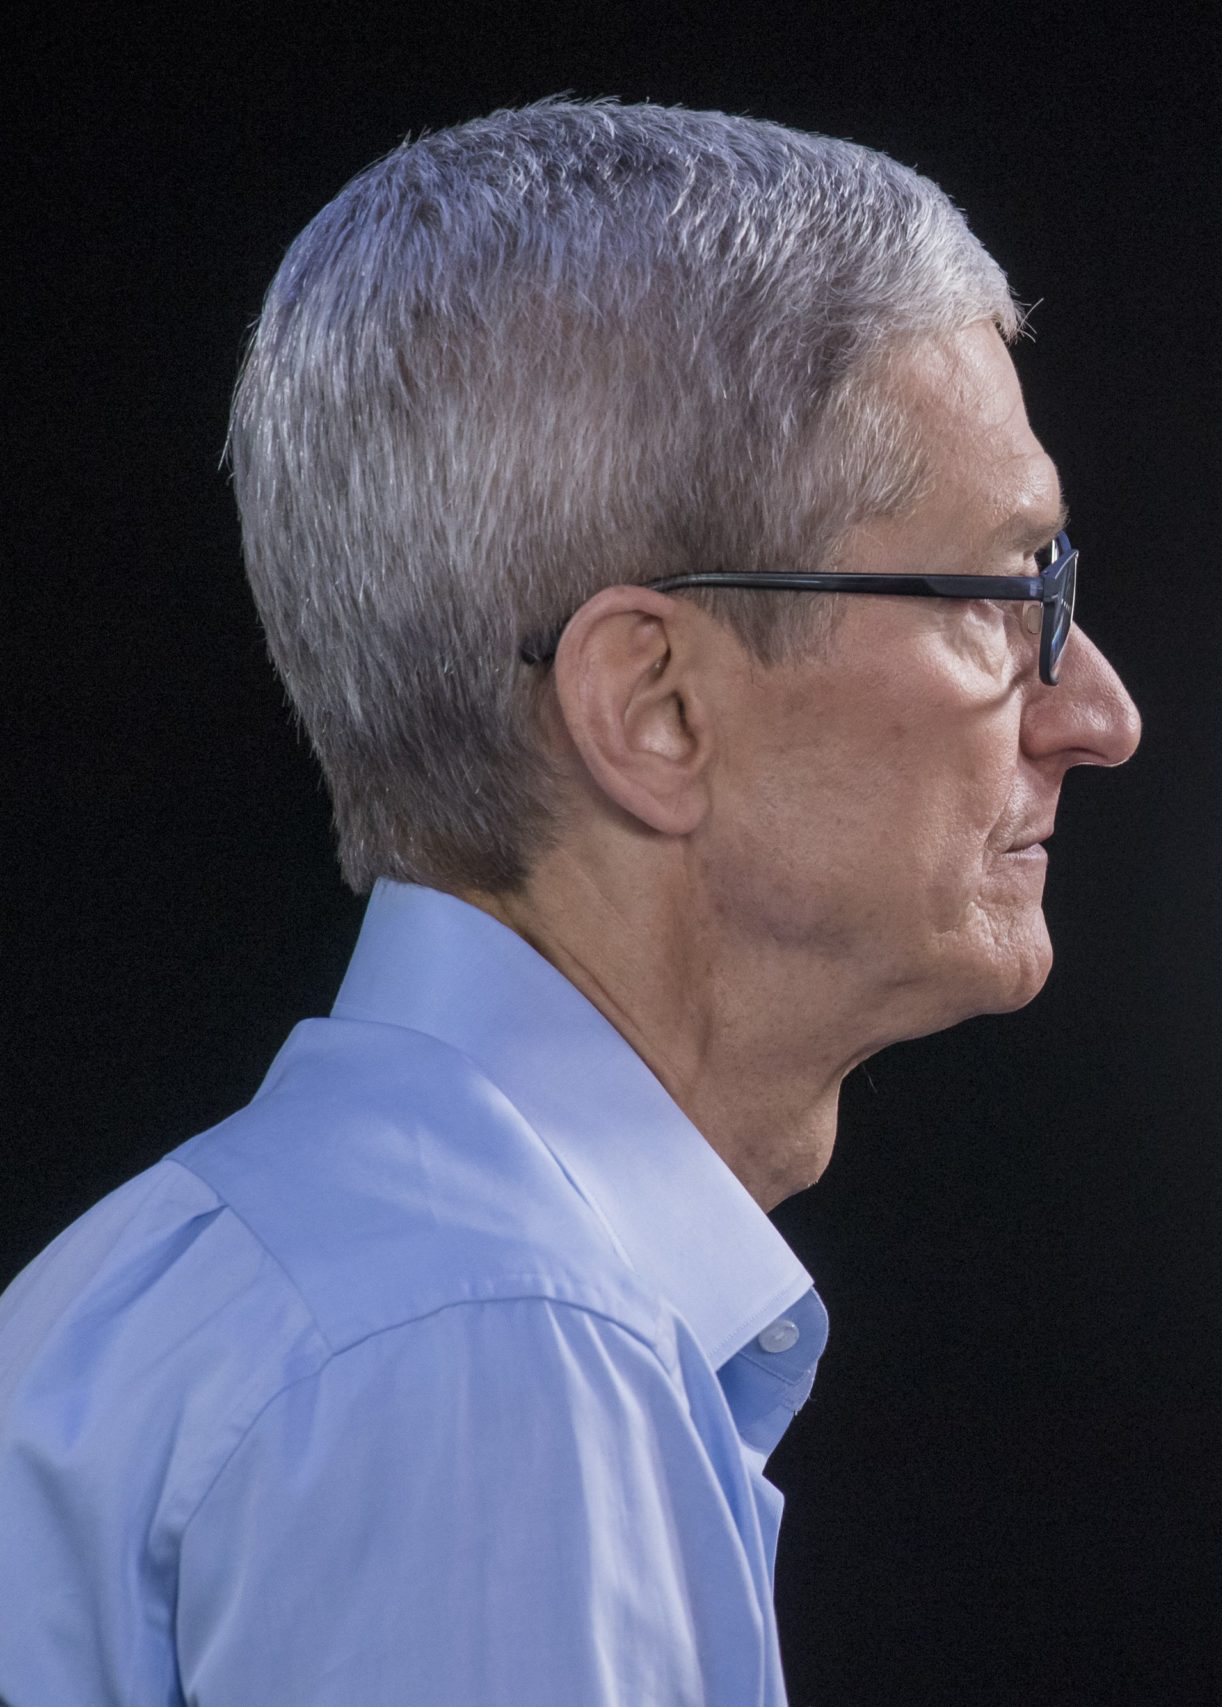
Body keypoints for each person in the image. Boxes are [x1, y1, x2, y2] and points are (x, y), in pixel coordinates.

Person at [0, 99, 1140, 1706]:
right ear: (655, 706)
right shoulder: (499, 1347)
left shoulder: (152, 1298)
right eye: (1013, 593)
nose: (1096, 710)